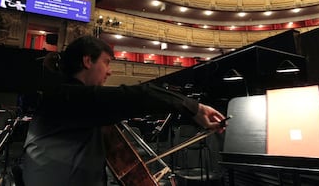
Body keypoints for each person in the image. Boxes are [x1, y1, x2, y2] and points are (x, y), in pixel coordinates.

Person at [21, 35, 226, 186]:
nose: (110, 71)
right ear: (87, 61)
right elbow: (139, 95)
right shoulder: (66, 98)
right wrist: (195, 108)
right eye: (106, 62)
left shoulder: (73, 101)